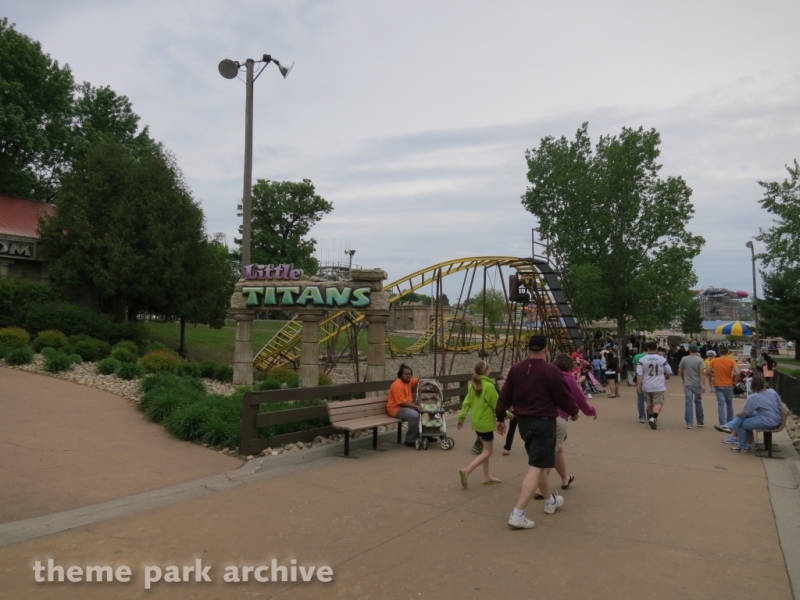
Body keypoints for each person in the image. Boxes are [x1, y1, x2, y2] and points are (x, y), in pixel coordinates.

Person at [496, 335, 579, 530]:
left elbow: (505, 395)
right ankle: (518, 514)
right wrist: (574, 412)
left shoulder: (517, 369)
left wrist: (500, 417)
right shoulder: (551, 370)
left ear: (528, 348)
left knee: (538, 463)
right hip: (544, 423)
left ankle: (550, 500)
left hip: (524, 423)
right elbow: (563, 396)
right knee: (535, 467)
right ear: (546, 349)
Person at [532, 353, 597, 496]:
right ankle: (539, 489)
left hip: (541, 417)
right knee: (550, 454)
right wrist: (591, 411)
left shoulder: (546, 376)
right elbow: (580, 400)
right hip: (558, 418)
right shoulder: (568, 379)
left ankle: (565, 478)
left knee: (557, 449)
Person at [457, 360, 501, 487]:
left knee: (484, 451)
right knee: (488, 451)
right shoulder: (489, 386)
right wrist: (508, 414)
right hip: (486, 424)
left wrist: (461, 418)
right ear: (486, 371)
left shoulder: (473, 385)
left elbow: (466, 403)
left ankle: (487, 476)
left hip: (477, 424)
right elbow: (497, 405)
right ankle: (467, 470)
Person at [715, 374, 782, 452]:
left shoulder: (754, 397)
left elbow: (745, 412)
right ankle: (730, 427)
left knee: (742, 424)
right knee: (744, 417)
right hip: (776, 418)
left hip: (767, 421)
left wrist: (737, 414)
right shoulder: (772, 391)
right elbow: (779, 404)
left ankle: (742, 446)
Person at [636, 341, 672, 430]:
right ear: (656, 349)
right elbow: (669, 371)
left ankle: (651, 417)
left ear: (648, 348)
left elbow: (640, 374)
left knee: (649, 403)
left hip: (647, 385)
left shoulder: (642, 360)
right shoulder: (661, 359)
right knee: (658, 402)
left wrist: (639, 384)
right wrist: (667, 376)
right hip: (658, 385)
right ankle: (654, 417)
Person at [386, 364, 421, 447]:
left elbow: (418, 380)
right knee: (414, 416)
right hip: (396, 408)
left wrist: (426, 382)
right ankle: (410, 440)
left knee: (425, 412)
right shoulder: (397, 385)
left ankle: (423, 435)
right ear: (400, 375)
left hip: (406, 407)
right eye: (406, 374)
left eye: (410, 374)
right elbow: (401, 403)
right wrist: (416, 407)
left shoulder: (409, 381)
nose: (408, 376)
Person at [679, 343, 706, 428]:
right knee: (698, 402)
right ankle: (700, 421)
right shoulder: (700, 360)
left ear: (689, 350)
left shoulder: (684, 359)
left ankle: (689, 422)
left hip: (687, 383)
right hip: (697, 383)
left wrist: (683, 379)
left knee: (688, 403)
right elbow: (702, 373)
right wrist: (703, 384)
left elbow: (681, 370)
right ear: (697, 350)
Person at [710, 347, 739, 427]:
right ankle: (730, 422)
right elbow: (738, 372)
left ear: (719, 353)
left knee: (721, 403)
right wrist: (735, 382)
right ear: (727, 353)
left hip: (718, 384)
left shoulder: (714, 361)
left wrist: (714, 375)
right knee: (729, 404)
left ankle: (722, 423)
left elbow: (708, 371)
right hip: (728, 384)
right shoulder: (731, 361)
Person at [632, 346, 647, 423]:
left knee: (640, 399)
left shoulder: (637, 356)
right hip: (650, 379)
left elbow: (635, 368)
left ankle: (642, 416)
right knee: (650, 399)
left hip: (639, 378)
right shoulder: (654, 357)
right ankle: (651, 415)